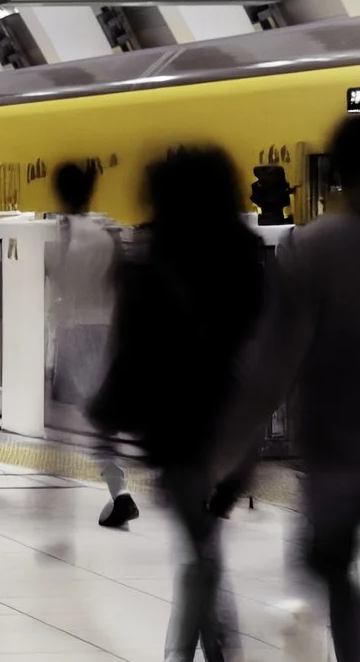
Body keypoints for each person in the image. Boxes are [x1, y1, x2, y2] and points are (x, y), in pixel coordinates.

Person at [93, 147, 270, 662]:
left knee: (200, 552)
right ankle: (212, 650)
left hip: (177, 430)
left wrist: (106, 418)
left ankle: (192, 653)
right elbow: (264, 340)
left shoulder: (150, 263)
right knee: (203, 547)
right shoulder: (245, 255)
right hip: (235, 426)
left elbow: (132, 355)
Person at [226, 117, 360, 662]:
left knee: (331, 571)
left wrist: (236, 452)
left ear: (337, 176)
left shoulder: (314, 248)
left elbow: (272, 369)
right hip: (333, 455)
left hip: (335, 456)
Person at [45, 161, 138, 528]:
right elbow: (119, 282)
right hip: (107, 330)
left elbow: (57, 276)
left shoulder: (64, 232)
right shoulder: (107, 231)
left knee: (73, 419)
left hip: (75, 331)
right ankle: (114, 492)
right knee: (96, 419)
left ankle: (115, 494)